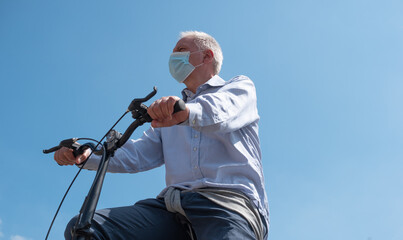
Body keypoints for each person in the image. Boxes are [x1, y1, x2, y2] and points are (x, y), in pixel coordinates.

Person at [54, 31, 269, 240]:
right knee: (85, 228)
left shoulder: (238, 87)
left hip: (227, 206)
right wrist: (85, 155)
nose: (173, 56)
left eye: (181, 50)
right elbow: (136, 154)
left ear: (207, 55)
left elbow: (221, 111)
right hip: (171, 209)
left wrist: (185, 112)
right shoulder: (169, 115)